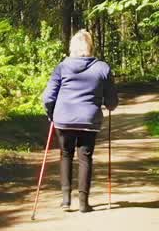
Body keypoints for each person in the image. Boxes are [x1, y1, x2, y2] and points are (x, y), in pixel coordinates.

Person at [40, 29, 118, 213]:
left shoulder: (62, 67)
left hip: (63, 119)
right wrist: (108, 105)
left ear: (72, 47)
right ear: (90, 47)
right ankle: (83, 202)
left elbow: (48, 97)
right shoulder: (103, 68)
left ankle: (66, 200)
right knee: (85, 158)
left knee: (66, 155)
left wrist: (51, 113)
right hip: (89, 120)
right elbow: (112, 101)